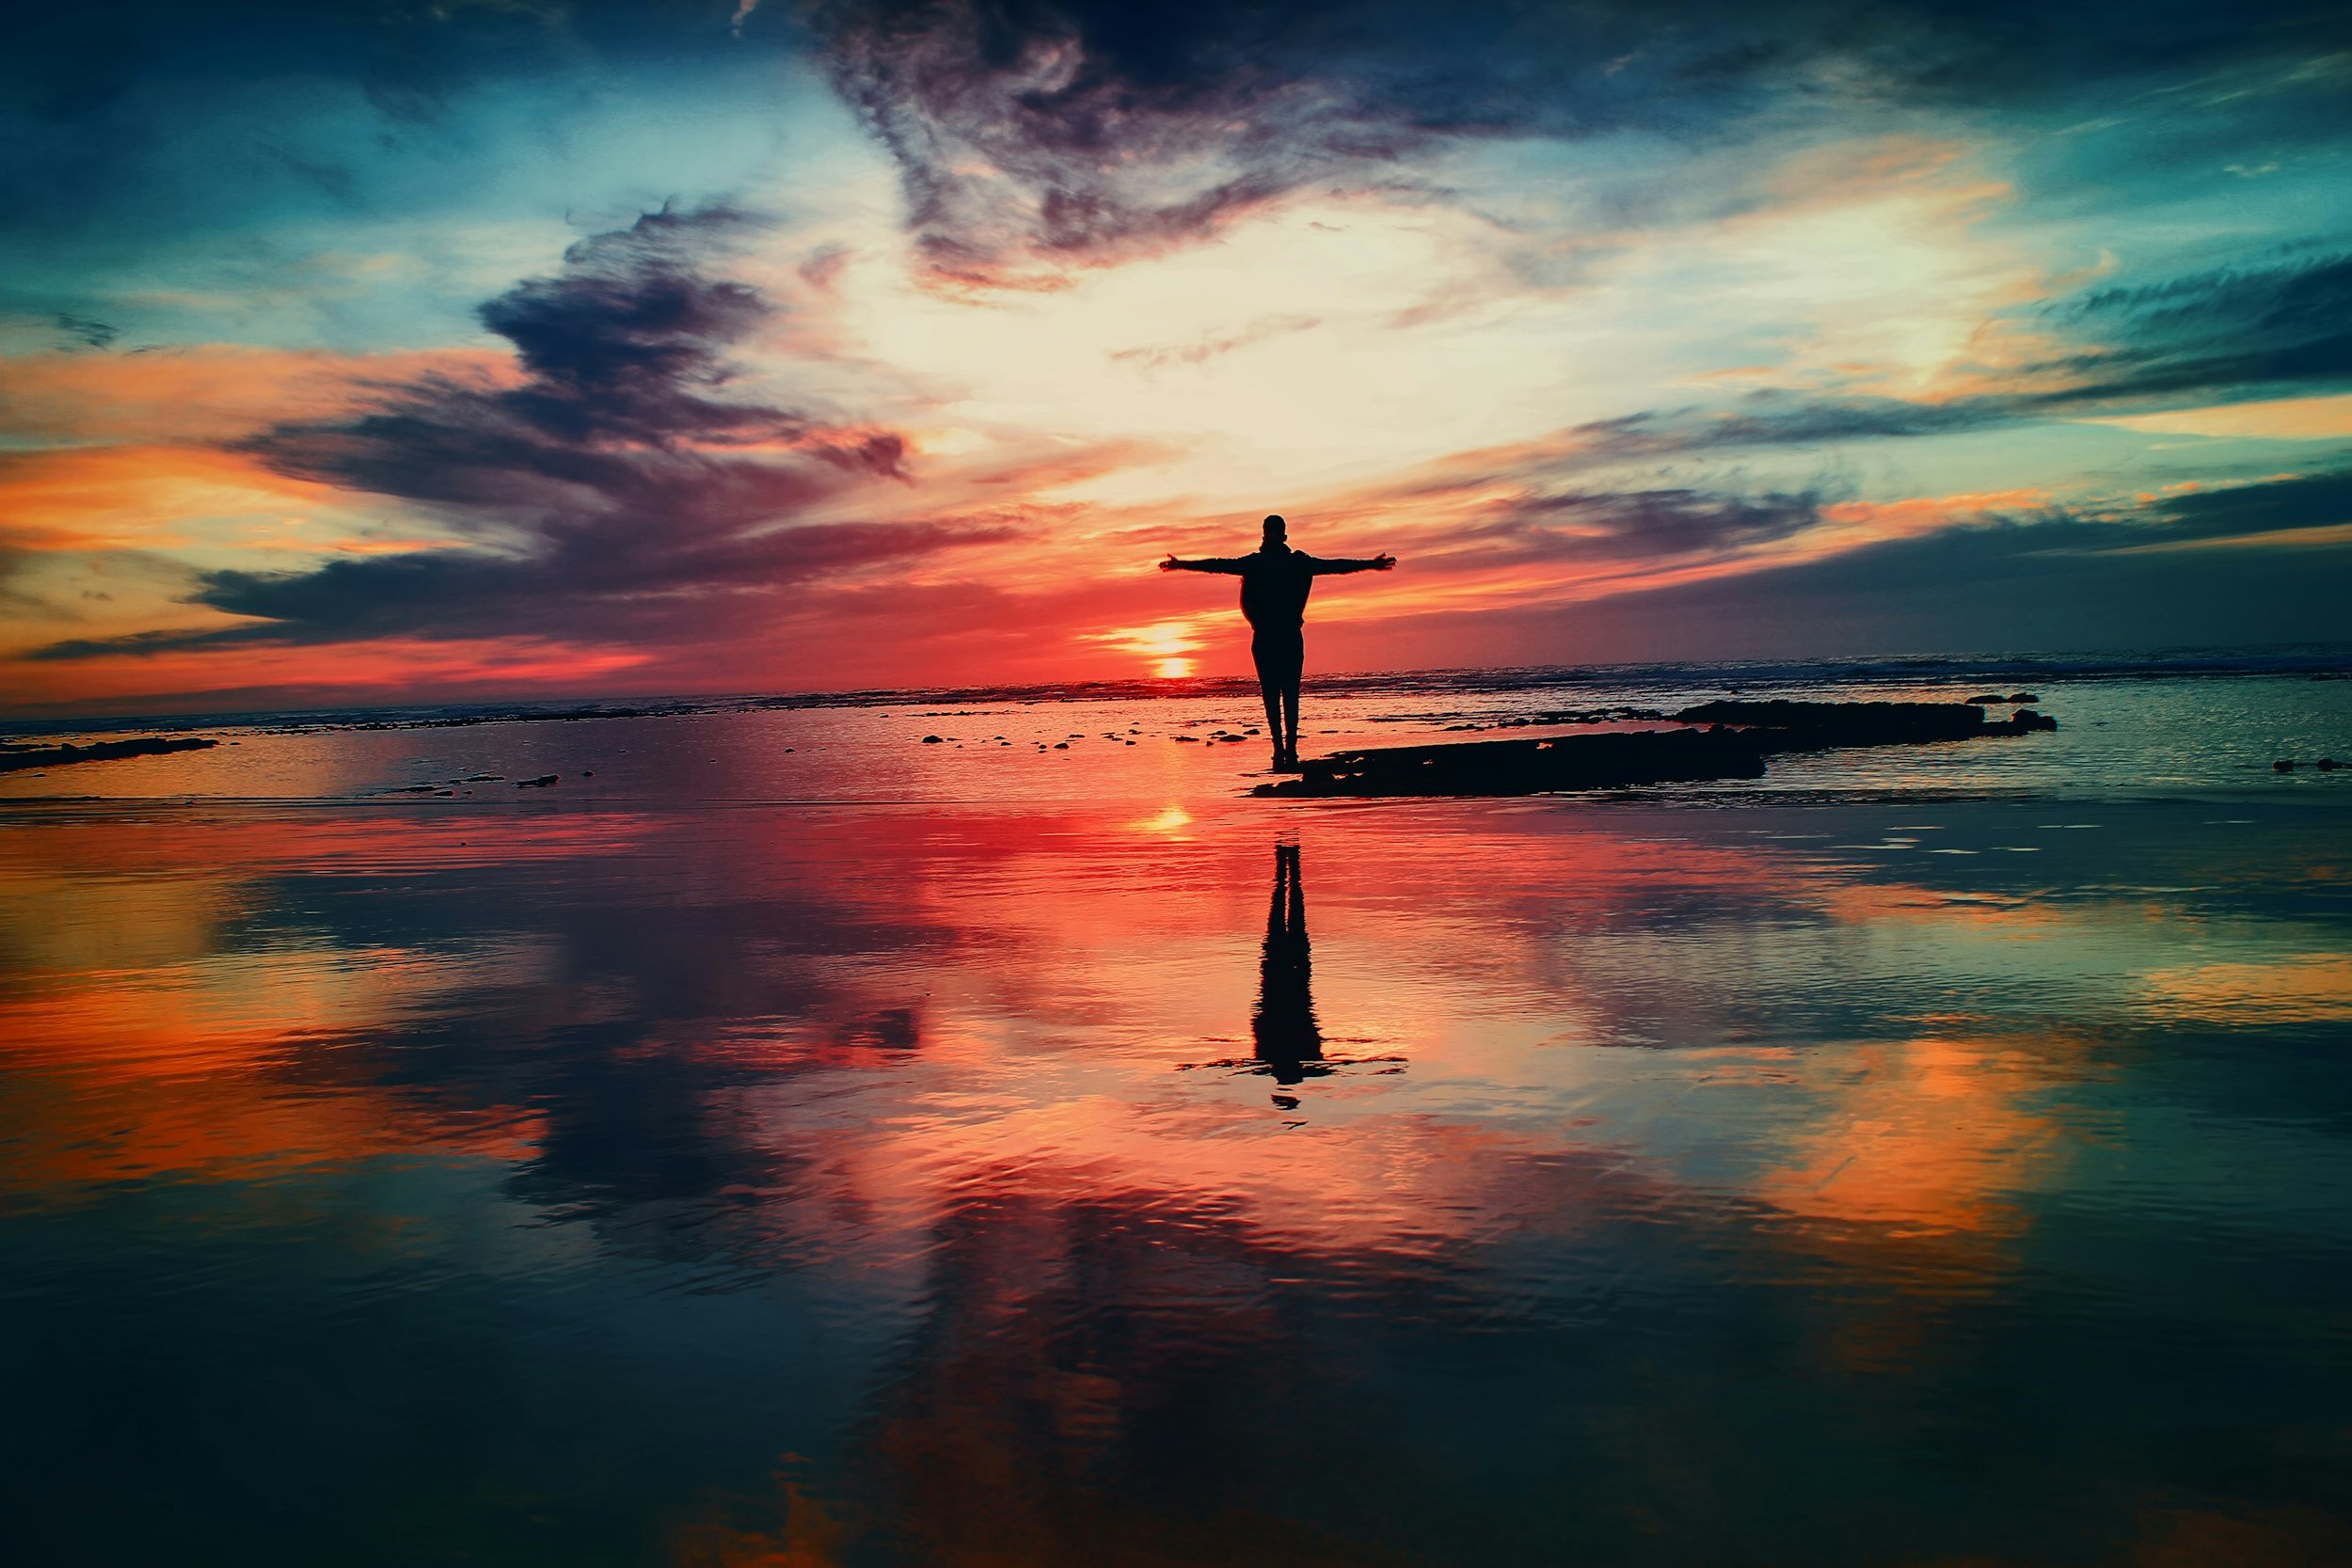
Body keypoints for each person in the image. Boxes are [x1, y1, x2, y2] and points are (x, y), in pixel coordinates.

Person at [1160, 515, 1395, 769]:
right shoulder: (1260, 563)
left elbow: (1335, 566)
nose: (1271, 536)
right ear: (1272, 536)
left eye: (1274, 532)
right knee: (1273, 694)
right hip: (1267, 636)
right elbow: (1219, 564)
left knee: (1288, 693)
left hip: (1286, 635)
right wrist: (1183, 564)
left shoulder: (1295, 563)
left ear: (1279, 536)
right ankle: (1280, 747)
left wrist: (1369, 565)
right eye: (1270, 532)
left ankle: (1289, 747)